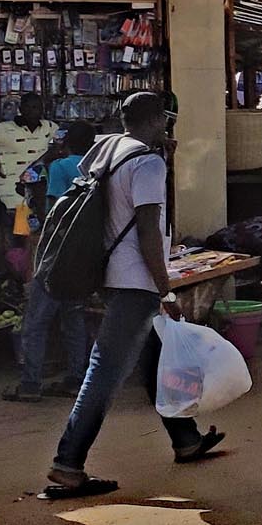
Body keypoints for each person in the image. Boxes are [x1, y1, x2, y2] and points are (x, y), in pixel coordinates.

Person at [42, 94, 222, 500]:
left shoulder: (107, 148)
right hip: (136, 280)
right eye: (165, 120)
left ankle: (186, 438)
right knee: (105, 371)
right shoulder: (148, 163)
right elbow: (146, 229)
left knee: (156, 356)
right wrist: (166, 289)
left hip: (110, 271)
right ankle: (68, 462)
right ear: (157, 118)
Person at [3, 124, 98, 403]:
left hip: (57, 253)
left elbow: (55, 209)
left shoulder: (58, 167)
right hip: (84, 254)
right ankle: (75, 378)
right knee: (74, 318)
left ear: (66, 142)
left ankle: (30, 383)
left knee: (36, 322)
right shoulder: (96, 166)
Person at [0, 93, 58, 221]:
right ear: (21, 109)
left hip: (36, 199)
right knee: (12, 232)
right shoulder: (3, 129)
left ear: (42, 109)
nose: (31, 111)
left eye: (35, 107)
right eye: (27, 107)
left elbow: (60, 148)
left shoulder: (50, 128)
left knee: (30, 235)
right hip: (7, 198)